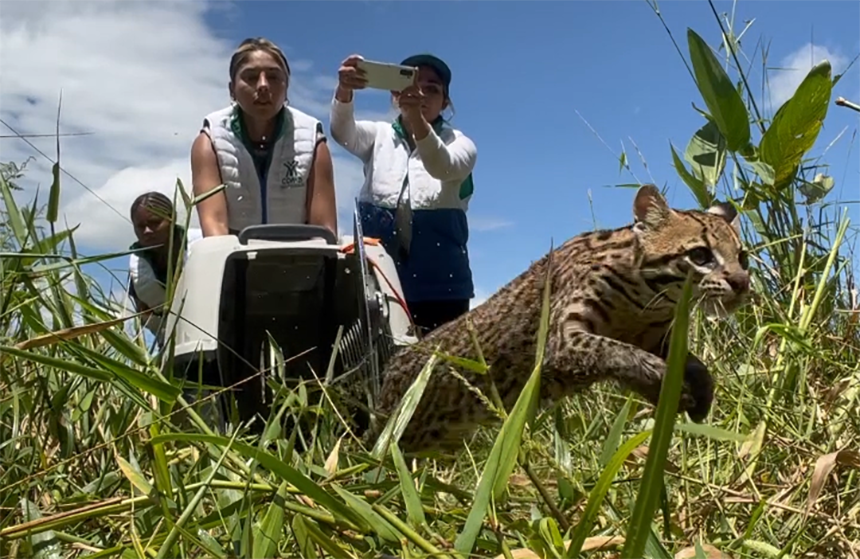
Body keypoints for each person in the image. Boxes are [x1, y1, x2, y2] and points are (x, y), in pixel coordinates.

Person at [330, 53, 478, 335]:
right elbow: (343, 132)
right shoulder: (379, 135)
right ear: (395, 94)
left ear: (445, 102)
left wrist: (415, 119)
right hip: (380, 281)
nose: (421, 94)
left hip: (443, 288)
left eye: (432, 89)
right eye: (413, 85)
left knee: (441, 367)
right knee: (379, 361)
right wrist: (345, 90)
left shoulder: (461, 143)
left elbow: (443, 166)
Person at [190, 37, 337, 238]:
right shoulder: (210, 141)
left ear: (286, 88)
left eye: (273, 77)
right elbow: (215, 228)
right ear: (232, 90)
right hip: (235, 256)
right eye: (250, 77)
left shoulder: (312, 140)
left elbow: (324, 230)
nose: (263, 85)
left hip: (300, 257)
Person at [126, 191, 202, 344]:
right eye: (141, 226)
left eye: (154, 223)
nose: (147, 231)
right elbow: (144, 313)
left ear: (172, 218)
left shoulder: (202, 244)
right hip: (170, 345)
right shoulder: (137, 269)